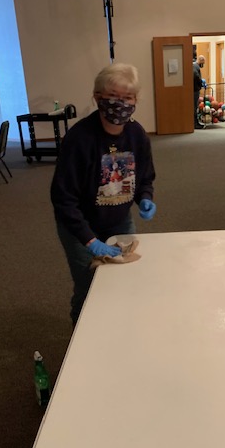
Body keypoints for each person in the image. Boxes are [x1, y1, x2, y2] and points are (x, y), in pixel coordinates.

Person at [51, 63, 156, 326]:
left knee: (124, 278)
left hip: (119, 220)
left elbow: (144, 175)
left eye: (127, 97)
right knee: (89, 287)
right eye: (112, 96)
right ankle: (82, 336)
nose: (120, 104)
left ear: (135, 100)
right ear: (97, 97)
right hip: (80, 225)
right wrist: (89, 240)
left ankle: (118, 329)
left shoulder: (137, 135)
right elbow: (63, 198)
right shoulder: (79, 139)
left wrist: (145, 197)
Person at [193, 54, 206, 129]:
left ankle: (195, 123)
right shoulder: (196, 67)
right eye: (203, 63)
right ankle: (195, 124)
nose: (203, 65)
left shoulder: (194, 65)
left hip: (194, 89)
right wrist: (201, 83)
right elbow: (196, 76)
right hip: (195, 90)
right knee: (194, 107)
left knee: (195, 106)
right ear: (201, 61)